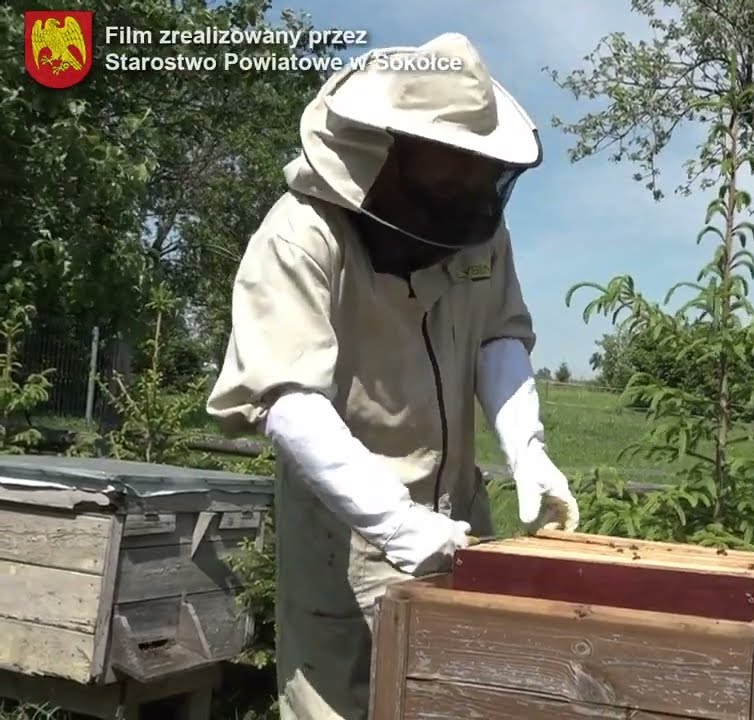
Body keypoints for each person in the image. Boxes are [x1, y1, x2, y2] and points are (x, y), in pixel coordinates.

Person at [205, 33, 580, 719]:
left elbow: (498, 333)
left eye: (477, 165)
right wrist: (396, 522)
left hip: (463, 526)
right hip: (344, 543)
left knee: (460, 702)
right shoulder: (299, 237)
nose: (468, 183)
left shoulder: (477, 227)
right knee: (339, 706)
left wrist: (528, 450)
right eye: (450, 166)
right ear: (389, 149)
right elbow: (289, 401)